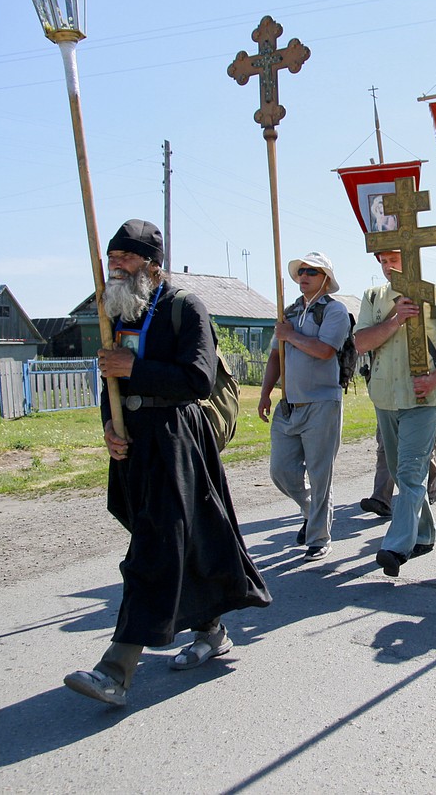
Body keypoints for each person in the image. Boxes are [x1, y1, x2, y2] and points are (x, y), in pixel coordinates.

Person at [64, 219, 270, 707]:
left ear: (152, 265)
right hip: (133, 444)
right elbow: (110, 381)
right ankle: (212, 628)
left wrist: (135, 368)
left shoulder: (184, 307)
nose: (116, 266)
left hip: (177, 439)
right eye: (112, 258)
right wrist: (109, 427)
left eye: (126, 258)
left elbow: (199, 380)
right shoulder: (116, 312)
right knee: (180, 539)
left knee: (155, 550)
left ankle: (115, 669)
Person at [355, 250, 436, 577]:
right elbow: (361, 342)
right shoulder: (374, 297)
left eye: (394, 258)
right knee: (399, 469)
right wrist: (395, 320)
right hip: (385, 396)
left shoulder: (435, 294)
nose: (388, 266)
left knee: (410, 471)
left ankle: (396, 545)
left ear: (411, 256)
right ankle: (426, 533)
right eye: (382, 261)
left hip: (422, 397)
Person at [257, 252, 350, 562]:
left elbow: (325, 350)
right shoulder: (290, 312)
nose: (304, 276)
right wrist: (265, 392)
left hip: (322, 403)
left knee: (320, 472)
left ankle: (319, 537)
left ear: (325, 278)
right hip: (289, 405)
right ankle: (312, 511)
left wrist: (291, 335)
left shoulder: (335, 312)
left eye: (312, 271)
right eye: (301, 271)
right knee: (280, 471)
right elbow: (274, 356)